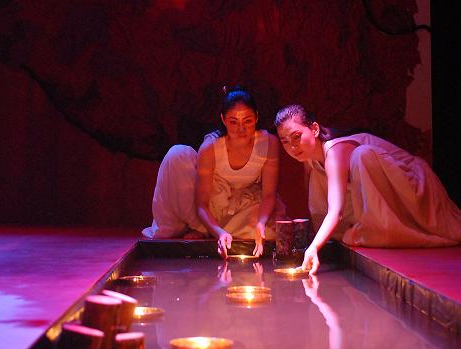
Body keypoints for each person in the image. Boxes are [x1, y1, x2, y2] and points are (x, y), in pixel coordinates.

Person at [275, 103, 461, 274]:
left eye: (296, 137)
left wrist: (314, 248)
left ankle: (384, 230)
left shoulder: (334, 149)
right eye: (285, 142)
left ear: (314, 129)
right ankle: (374, 229)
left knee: (362, 155)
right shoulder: (311, 160)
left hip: (415, 187)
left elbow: (336, 210)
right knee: (321, 180)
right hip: (385, 199)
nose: (292, 147)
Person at [143, 86, 281, 257]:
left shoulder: (269, 143)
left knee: (270, 231)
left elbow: (269, 195)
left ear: (256, 117)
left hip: (244, 206)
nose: (241, 129)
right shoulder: (210, 147)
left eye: (247, 121)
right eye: (233, 122)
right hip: (213, 204)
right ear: (223, 119)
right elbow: (201, 204)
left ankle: (211, 230)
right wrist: (219, 233)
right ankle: (208, 228)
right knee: (177, 154)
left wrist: (260, 223)